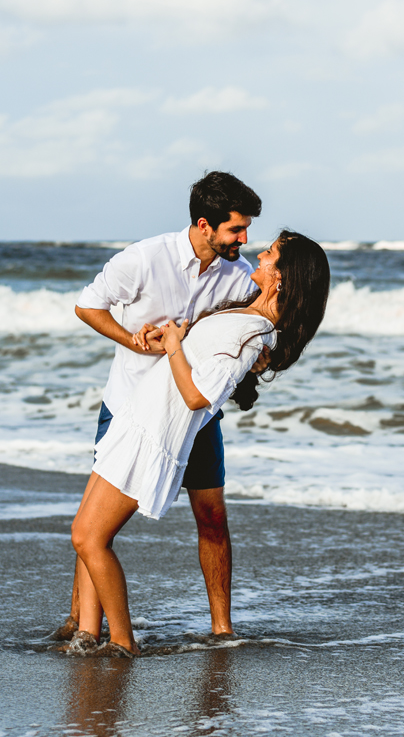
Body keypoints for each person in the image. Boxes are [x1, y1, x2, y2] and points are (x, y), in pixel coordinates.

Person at [70, 231, 331, 655]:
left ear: (282, 277)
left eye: (270, 254)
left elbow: (197, 397)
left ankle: (122, 643)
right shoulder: (247, 317)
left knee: (88, 537)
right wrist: (173, 338)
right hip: (135, 417)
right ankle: (86, 639)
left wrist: (174, 346)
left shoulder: (253, 334)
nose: (257, 254)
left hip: (154, 433)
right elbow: (205, 361)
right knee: (86, 533)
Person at [50, 171, 264, 643]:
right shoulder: (145, 258)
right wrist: (133, 339)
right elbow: (89, 306)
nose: (244, 239)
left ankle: (222, 629)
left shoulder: (240, 276)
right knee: (96, 524)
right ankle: (80, 624)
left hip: (196, 414)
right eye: (235, 229)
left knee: (212, 517)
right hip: (130, 408)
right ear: (204, 225)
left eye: (246, 229)